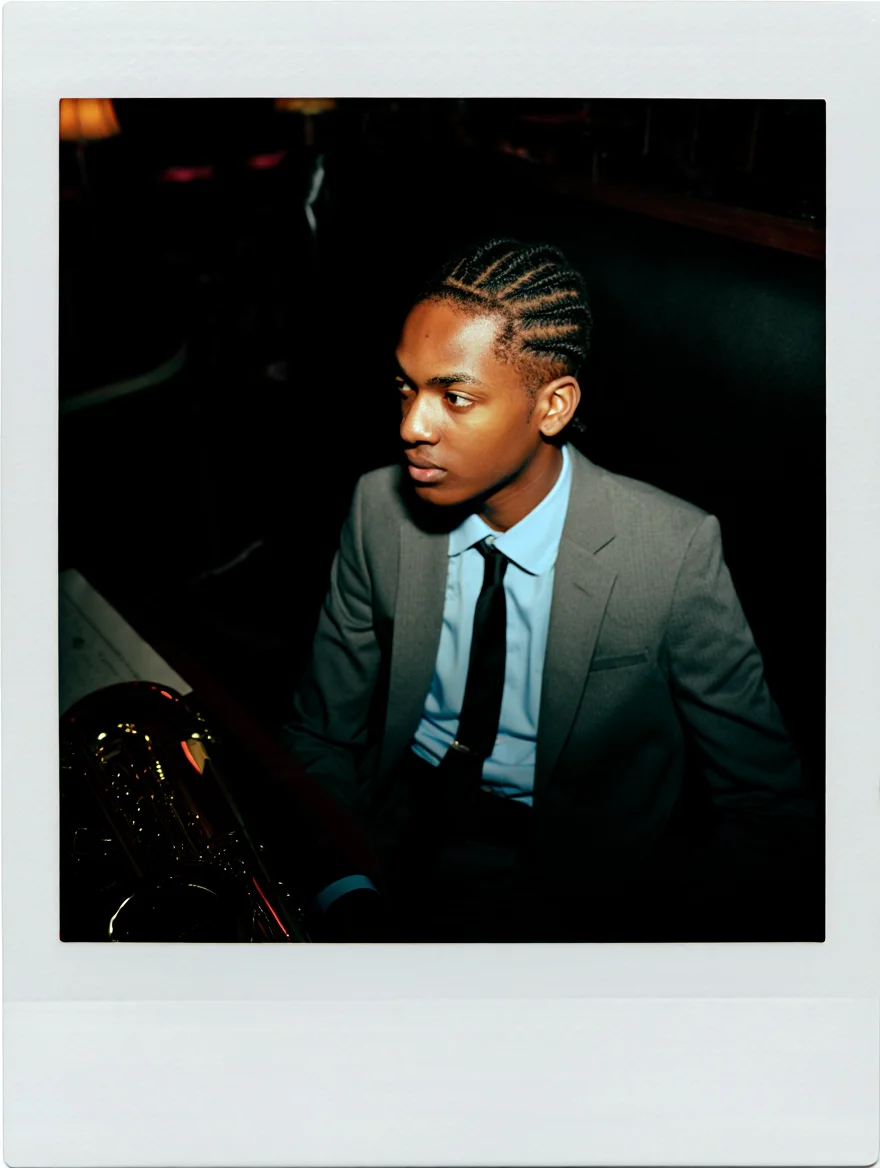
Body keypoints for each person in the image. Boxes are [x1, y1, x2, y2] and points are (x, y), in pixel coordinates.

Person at [281, 238, 817, 943]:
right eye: (406, 388)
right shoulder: (378, 509)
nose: (412, 426)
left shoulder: (671, 554)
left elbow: (767, 808)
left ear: (554, 406)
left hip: (576, 892)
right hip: (391, 830)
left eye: (455, 397)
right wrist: (341, 878)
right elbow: (320, 732)